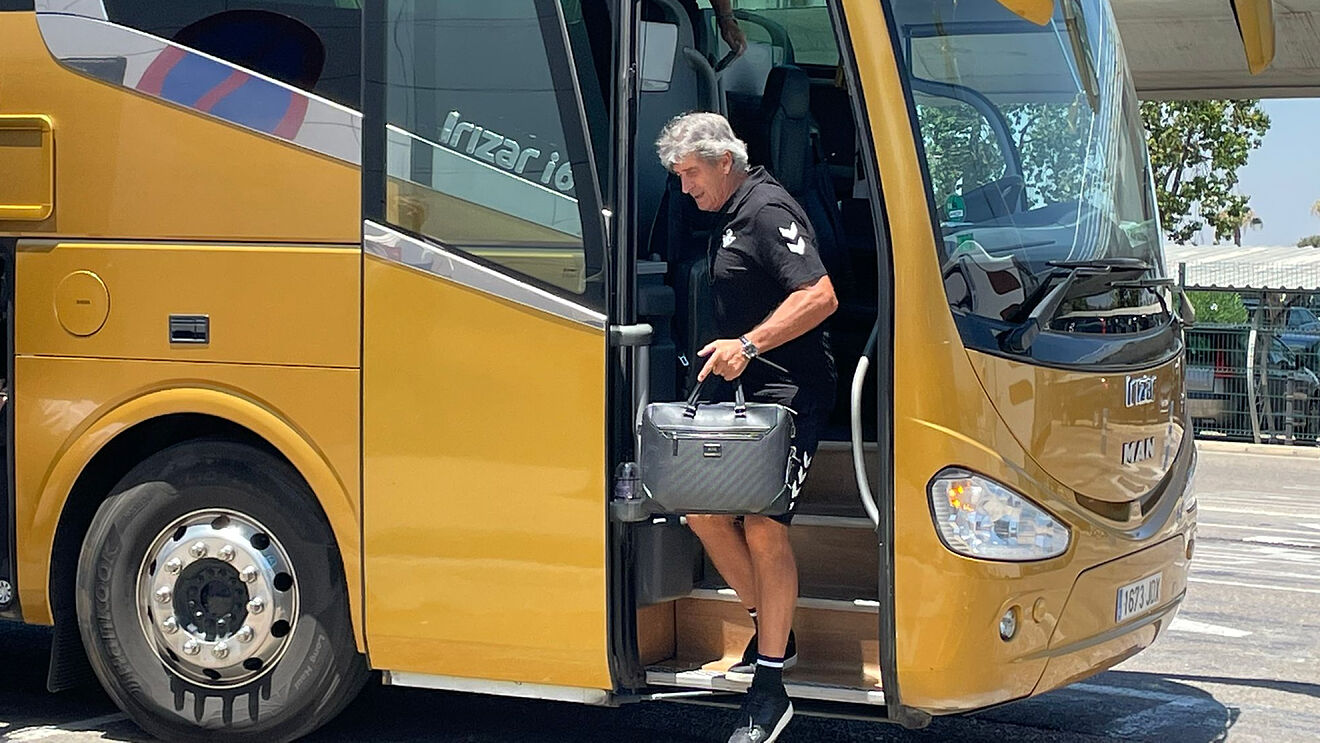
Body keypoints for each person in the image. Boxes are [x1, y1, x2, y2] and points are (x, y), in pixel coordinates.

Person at [655, 112, 837, 743]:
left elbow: (819, 294)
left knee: (762, 524)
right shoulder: (731, 213)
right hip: (743, 394)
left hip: (788, 391)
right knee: (702, 512)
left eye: (691, 174)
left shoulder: (766, 210)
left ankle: (769, 686)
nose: (685, 189)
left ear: (723, 160)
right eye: (679, 177)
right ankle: (773, 629)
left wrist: (750, 346)